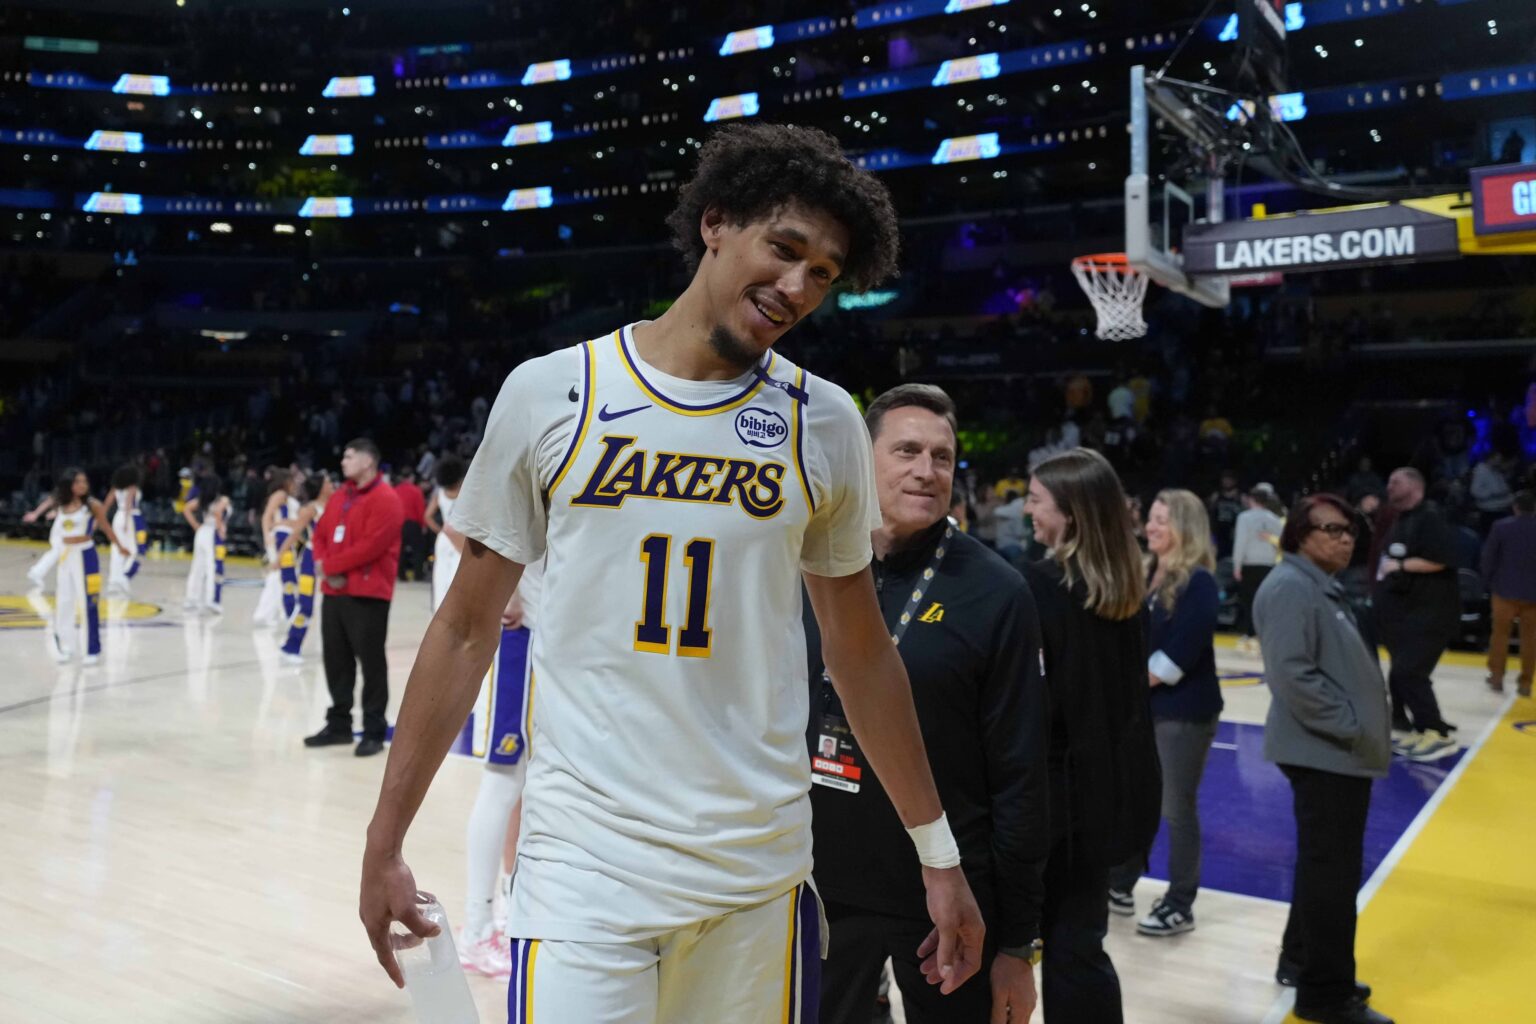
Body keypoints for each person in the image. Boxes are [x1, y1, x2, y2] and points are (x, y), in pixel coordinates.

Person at [358, 123, 985, 1022]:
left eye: (825, 274)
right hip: (583, 873)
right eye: (786, 250)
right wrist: (385, 840)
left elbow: (860, 653)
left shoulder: (826, 423)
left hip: (756, 879)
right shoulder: (550, 393)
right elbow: (463, 629)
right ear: (717, 223)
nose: (798, 287)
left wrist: (938, 853)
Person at [806, 384, 1047, 1024]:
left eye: (942, 457)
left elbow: (1022, 775)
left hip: (944, 895)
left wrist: (1018, 943)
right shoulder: (804, 564)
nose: (926, 470)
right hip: (816, 886)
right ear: (863, 457)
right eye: (907, 450)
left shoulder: (998, 593)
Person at [1022, 449, 1161, 1023]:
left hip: (1052, 799)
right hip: (1110, 794)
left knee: (1017, 948)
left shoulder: (1038, 585)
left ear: (1071, 516)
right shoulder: (1125, 591)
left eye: (1035, 500)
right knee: (1079, 947)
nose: (1025, 509)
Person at [1256, 494, 1394, 1024]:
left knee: (1322, 870)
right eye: (1332, 529)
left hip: (1335, 752)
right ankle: (1325, 994)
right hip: (1326, 753)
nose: (1345, 539)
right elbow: (1293, 676)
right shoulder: (1291, 587)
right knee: (1332, 877)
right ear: (1299, 534)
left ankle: (1302, 961)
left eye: (1350, 531)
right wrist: (1354, 726)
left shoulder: (1316, 585)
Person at [1108, 489, 1221, 937]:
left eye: (1161, 520)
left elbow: (1177, 658)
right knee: (1137, 799)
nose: (1151, 527)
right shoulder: (1147, 573)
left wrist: (1120, 685)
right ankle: (1119, 882)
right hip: (1147, 709)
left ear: (1184, 528)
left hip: (1183, 714)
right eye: (1150, 519)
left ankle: (1180, 902)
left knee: (1176, 807)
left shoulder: (1199, 581)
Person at [460, 559, 544, 980]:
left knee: (523, 785)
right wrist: (507, 590)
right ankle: (476, 930)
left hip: (541, 642)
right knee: (501, 784)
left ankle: (508, 907)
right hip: (517, 640)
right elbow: (471, 528)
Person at [304, 438, 404, 757]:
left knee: (371, 664)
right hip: (334, 592)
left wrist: (331, 565)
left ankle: (374, 729)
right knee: (336, 660)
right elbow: (320, 533)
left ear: (368, 461)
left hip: (368, 593)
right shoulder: (339, 496)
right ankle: (339, 725)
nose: (343, 461)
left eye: (349, 456)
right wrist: (322, 564)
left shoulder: (387, 499)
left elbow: (373, 545)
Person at [1376, 467, 1460, 762]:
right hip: (1404, 613)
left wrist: (1400, 567)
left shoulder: (1431, 518)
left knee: (1408, 671)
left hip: (1432, 611)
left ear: (1414, 486)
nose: (1389, 487)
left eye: (1395, 481)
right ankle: (1422, 727)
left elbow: (1443, 560)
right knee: (1404, 672)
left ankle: (1438, 733)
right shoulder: (1401, 520)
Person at [46, 467, 131, 665]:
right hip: (66, 556)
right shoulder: (62, 505)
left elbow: (105, 526)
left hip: (86, 555)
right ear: (69, 485)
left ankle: (92, 649)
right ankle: (66, 646)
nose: (83, 485)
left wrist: (120, 546)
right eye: (78, 482)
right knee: (64, 602)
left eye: (85, 481)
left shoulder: (92, 505)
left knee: (88, 602)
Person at [1481, 489, 1536, 696]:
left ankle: (1496, 676)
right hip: (1533, 595)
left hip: (1504, 590)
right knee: (1530, 639)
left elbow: (1488, 558)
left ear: (1515, 507)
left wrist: (1486, 583)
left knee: (1500, 635)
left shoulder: (1501, 527)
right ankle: (1526, 682)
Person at [276, 472, 334, 665]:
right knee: (306, 606)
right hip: (310, 560)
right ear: (320, 487)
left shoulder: (335, 505)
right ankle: (291, 645)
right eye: (327, 482)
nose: (331, 484)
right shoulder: (310, 509)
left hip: (330, 561)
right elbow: (294, 535)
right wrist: (279, 556)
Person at [1233, 485, 1284, 653]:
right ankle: (1263, 634)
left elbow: (1240, 542)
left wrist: (1237, 565)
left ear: (1251, 500)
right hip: (1269, 564)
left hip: (1250, 563)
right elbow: (1284, 541)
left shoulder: (1244, 517)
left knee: (1248, 601)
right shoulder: (1274, 519)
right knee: (1264, 601)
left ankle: (1250, 632)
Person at [254, 469, 301, 627]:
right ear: (286, 481)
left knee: (283, 578)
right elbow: (267, 516)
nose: (294, 484)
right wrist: (267, 535)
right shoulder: (280, 494)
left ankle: (276, 613)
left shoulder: (289, 497)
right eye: (292, 481)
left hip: (288, 538)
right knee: (277, 576)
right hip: (279, 537)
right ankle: (264, 614)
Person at [425, 454, 468, 611]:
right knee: (458, 576)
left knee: (440, 575)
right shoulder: (467, 491)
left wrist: (441, 530)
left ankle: (438, 610)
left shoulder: (440, 494)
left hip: (444, 538)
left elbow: (427, 516)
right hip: (462, 536)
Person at [182, 476, 230, 615]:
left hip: (202, 532)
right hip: (213, 533)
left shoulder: (202, 500)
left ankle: (191, 599)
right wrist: (220, 528)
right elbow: (218, 512)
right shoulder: (222, 499)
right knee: (212, 567)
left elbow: (186, 509)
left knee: (197, 566)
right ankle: (212, 600)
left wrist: (196, 525)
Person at [103, 463, 146, 596]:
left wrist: (101, 520)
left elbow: (107, 504)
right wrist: (127, 522)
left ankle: (113, 581)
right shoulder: (132, 487)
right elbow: (129, 503)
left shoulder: (115, 488)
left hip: (117, 516)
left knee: (117, 549)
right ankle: (123, 578)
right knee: (134, 551)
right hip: (131, 517)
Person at [22, 493, 63, 592]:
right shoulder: (65, 488)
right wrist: (35, 514)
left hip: (72, 524)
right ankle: (36, 572)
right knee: (57, 550)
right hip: (62, 525)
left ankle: (37, 572)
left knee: (66, 553)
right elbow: (50, 500)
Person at [394, 467, 428, 581]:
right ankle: (418, 575)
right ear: (411, 478)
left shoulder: (395, 490)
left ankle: (401, 575)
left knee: (400, 551)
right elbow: (420, 509)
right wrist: (423, 525)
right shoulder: (416, 490)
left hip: (399, 524)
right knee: (418, 551)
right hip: (413, 524)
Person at [1208, 471, 1244, 561]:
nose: (1226, 482)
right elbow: (1211, 516)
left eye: (1229, 480)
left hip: (1235, 533)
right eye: (1225, 480)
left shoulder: (1241, 497)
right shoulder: (1216, 497)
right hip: (1220, 534)